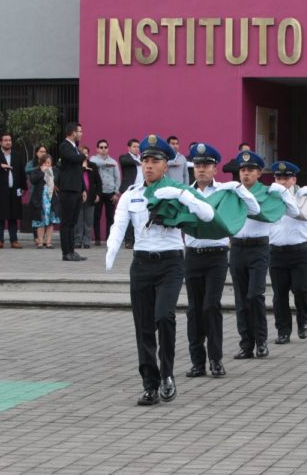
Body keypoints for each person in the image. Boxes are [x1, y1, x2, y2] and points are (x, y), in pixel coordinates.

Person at [105, 134, 215, 406]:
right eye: (145, 160)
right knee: (143, 326)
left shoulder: (178, 190)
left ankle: (167, 374)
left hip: (170, 263)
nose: (149, 165)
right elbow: (118, 225)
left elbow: (207, 214)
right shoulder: (132, 194)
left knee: (164, 317)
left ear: (167, 165)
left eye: (155, 160)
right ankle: (149, 384)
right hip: (141, 264)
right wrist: (112, 249)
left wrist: (181, 195)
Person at [183, 143, 256, 378]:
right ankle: (197, 361)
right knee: (194, 310)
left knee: (210, 306)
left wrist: (240, 188)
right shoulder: (185, 193)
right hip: (192, 256)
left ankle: (215, 359)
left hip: (216, 256)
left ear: (215, 168)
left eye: (207, 165)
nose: (202, 169)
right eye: (198, 165)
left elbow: (253, 209)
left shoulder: (225, 191)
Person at [230, 150, 297, 359]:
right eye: (242, 170)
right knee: (241, 299)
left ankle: (261, 341)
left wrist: (284, 193)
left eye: (250, 170)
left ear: (259, 173)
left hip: (258, 248)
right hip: (237, 248)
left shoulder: (268, 192)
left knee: (255, 295)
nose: (246, 173)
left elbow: (294, 212)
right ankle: (246, 344)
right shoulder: (233, 192)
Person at [268, 161, 307, 344]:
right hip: (277, 251)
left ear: (294, 179)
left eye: (286, 178)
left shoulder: (304, 196)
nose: (282, 182)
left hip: (300, 251)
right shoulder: (271, 197)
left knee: (301, 290)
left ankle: (302, 322)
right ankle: (283, 331)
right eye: (278, 178)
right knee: (279, 294)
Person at [0, 133, 26, 249]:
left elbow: (22, 172)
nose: (8, 142)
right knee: (0, 216)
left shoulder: (17, 155)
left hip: (15, 190)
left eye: (10, 140)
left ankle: (14, 240)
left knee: (13, 216)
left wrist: (23, 187)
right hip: (0, 190)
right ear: (0, 142)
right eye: (5, 140)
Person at [58, 122, 87, 262]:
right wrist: (83, 155)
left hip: (76, 189)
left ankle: (72, 251)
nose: (81, 134)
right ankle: (66, 252)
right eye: (79, 131)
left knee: (73, 222)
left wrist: (83, 189)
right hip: (68, 189)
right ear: (72, 132)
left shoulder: (75, 148)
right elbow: (75, 159)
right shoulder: (65, 146)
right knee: (67, 222)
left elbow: (79, 171)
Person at [89, 139, 121, 246]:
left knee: (110, 217)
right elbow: (94, 163)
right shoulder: (93, 159)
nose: (103, 149)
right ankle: (97, 239)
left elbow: (117, 178)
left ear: (108, 148)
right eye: (101, 147)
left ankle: (109, 239)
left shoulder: (114, 162)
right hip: (98, 192)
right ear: (97, 149)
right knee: (96, 216)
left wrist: (116, 193)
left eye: (105, 147)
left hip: (110, 192)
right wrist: (106, 164)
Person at [29, 154, 61, 249]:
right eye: (45, 162)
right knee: (40, 220)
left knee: (51, 221)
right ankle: (40, 241)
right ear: (41, 163)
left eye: (49, 162)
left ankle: (48, 242)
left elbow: (59, 181)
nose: (47, 164)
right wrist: (42, 172)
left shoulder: (55, 171)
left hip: (52, 198)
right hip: (40, 199)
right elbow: (33, 181)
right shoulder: (36, 171)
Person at [75, 146, 102, 249]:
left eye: (86, 153)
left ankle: (87, 241)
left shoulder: (93, 165)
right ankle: (78, 240)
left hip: (90, 196)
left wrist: (98, 194)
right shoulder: (75, 165)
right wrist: (83, 169)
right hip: (78, 196)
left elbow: (98, 182)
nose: (84, 155)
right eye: (82, 152)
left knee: (89, 220)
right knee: (79, 220)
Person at [119, 138, 143, 249]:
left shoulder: (142, 158)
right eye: (134, 146)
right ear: (128, 148)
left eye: (138, 147)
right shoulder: (125, 157)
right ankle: (129, 240)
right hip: (130, 190)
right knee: (129, 216)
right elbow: (125, 162)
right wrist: (137, 161)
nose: (136, 149)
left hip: (142, 190)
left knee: (140, 215)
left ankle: (139, 239)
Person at [25, 145, 48, 247]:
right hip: (34, 192)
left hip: (46, 192)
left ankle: (44, 237)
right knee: (36, 214)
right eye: (41, 151)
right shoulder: (32, 163)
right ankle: (36, 237)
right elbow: (26, 170)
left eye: (44, 151)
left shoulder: (48, 162)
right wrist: (38, 168)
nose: (43, 153)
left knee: (45, 215)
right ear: (36, 153)